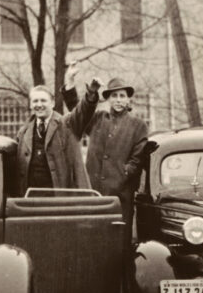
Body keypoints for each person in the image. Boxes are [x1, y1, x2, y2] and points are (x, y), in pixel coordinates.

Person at [61, 68, 150, 239]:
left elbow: (137, 160)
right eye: (114, 96)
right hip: (93, 194)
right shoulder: (98, 119)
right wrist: (81, 88)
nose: (118, 100)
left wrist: (123, 173)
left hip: (121, 196)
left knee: (118, 241)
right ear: (108, 99)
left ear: (128, 99)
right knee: (92, 239)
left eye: (122, 96)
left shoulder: (138, 126)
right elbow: (78, 112)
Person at [14, 79, 100, 196]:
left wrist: (90, 94)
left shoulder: (67, 125)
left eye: (43, 100)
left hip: (61, 200)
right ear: (30, 104)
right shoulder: (23, 133)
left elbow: (83, 112)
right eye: (35, 101)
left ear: (52, 103)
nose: (39, 105)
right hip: (31, 200)